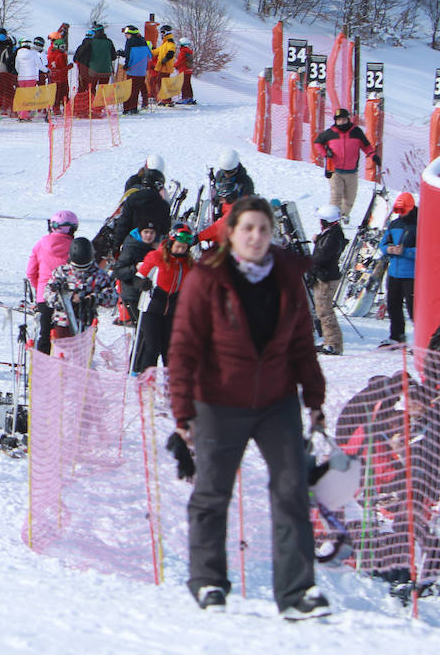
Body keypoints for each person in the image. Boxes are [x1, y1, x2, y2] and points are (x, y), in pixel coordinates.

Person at [168, 195, 330, 618]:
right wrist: (183, 413)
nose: (256, 236)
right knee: (212, 491)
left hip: (276, 400)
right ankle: (208, 581)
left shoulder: (286, 276)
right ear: (231, 234)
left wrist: (313, 399)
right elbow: (184, 347)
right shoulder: (208, 278)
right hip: (219, 400)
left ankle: (297, 593)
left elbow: (300, 344)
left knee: (292, 489)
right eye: (247, 229)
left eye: (263, 229)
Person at [131, 223, 194, 372]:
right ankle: (146, 379)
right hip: (152, 308)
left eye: (184, 248)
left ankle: (171, 383)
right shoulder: (156, 257)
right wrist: (142, 283)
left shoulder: (188, 264)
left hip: (172, 311)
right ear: (171, 243)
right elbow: (137, 278)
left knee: (169, 349)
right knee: (152, 347)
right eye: (178, 246)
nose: (181, 250)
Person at [43, 237, 118, 340]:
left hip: (87, 323)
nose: (80, 272)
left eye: (84, 268)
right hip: (63, 323)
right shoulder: (62, 272)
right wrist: (69, 299)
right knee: (63, 352)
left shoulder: (99, 275)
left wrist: (93, 298)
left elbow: (113, 298)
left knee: (83, 354)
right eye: (77, 268)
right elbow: (47, 295)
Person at [311, 108, 376, 222]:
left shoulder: (356, 132)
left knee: (350, 197)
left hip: (352, 171)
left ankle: (343, 216)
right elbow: (318, 143)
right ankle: (332, 219)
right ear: (335, 121)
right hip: (335, 170)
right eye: (339, 120)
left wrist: (372, 155)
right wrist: (326, 154)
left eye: (344, 119)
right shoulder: (330, 133)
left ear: (348, 120)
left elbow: (366, 146)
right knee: (336, 196)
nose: (341, 122)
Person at [27, 210, 79, 354]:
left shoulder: (41, 243)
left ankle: (41, 368)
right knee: (66, 333)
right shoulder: (75, 246)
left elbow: (31, 271)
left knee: (44, 332)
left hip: (44, 294)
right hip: (67, 297)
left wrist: (39, 289)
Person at [308, 205, 347, 356]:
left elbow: (323, 257)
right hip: (325, 275)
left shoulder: (333, 236)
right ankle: (329, 342)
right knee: (321, 310)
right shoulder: (330, 234)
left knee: (325, 311)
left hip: (327, 277)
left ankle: (334, 344)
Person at [381, 192, 418, 349]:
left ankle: (423, 340)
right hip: (394, 272)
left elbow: (428, 250)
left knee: (414, 309)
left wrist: (406, 252)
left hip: (412, 274)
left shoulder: (421, 224)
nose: (400, 214)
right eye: (398, 210)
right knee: (393, 305)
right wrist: (388, 249)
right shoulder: (394, 224)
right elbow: (383, 244)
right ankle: (397, 337)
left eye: (403, 210)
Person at [112, 222, 159, 324]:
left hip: (150, 295)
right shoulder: (131, 248)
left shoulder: (157, 248)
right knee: (144, 329)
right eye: (146, 232)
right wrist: (135, 268)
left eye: (152, 233)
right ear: (140, 232)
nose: (149, 236)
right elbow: (118, 272)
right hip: (133, 295)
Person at [113, 167, 171, 247]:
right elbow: (165, 229)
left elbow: (123, 225)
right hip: (153, 248)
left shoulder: (131, 199)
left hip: (131, 245)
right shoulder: (163, 205)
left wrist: (117, 245)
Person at [73, 23, 117, 93]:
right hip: (106, 71)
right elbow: (114, 57)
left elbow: (81, 53)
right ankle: (101, 103)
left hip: (93, 70)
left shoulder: (91, 42)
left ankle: (91, 102)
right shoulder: (109, 42)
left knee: (91, 89)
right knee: (103, 90)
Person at [120, 25, 152, 114]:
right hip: (141, 71)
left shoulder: (130, 42)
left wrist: (126, 65)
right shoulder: (144, 41)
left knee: (129, 89)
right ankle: (133, 108)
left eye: (127, 34)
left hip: (132, 70)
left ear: (131, 34)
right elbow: (149, 55)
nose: (126, 36)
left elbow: (129, 56)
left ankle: (127, 108)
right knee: (136, 90)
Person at [211, 149, 255, 213]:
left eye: (230, 172)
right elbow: (216, 190)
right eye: (224, 172)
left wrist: (233, 199)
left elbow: (248, 202)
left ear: (236, 168)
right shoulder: (220, 176)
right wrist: (216, 199)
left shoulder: (245, 181)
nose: (227, 175)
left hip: (236, 214)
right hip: (222, 212)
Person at [174, 37, 196, 104]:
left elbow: (180, 61)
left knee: (184, 85)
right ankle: (190, 97)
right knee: (188, 84)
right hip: (189, 70)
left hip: (184, 70)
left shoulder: (183, 52)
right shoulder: (189, 52)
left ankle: (185, 98)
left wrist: (174, 66)